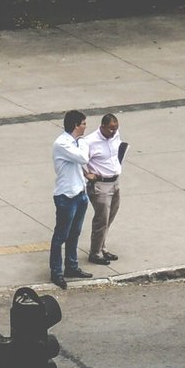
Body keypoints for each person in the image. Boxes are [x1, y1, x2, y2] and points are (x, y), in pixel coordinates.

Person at [50, 110, 92, 290]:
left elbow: (79, 165)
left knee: (75, 233)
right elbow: (83, 157)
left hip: (80, 193)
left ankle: (71, 266)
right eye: (83, 123)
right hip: (66, 196)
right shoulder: (63, 144)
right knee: (61, 236)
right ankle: (56, 272)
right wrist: (83, 142)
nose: (85, 126)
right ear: (75, 125)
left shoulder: (74, 143)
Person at [85, 113, 124, 266]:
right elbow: (79, 160)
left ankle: (102, 246)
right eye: (110, 129)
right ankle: (95, 252)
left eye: (115, 129)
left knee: (110, 217)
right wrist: (87, 174)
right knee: (101, 219)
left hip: (115, 181)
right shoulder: (90, 142)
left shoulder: (115, 136)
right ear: (102, 127)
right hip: (100, 185)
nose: (113, 132)